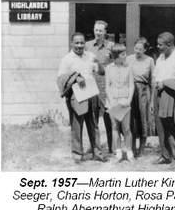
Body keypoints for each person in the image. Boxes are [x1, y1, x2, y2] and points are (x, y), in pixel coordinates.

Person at [57, 32, 107, 163]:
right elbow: (61, 78)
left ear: (85, 43)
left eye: (82, 43)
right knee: (77, 125)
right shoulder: (67, 59)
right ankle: (77, 154)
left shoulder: (90, 56)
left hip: (91, 92)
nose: (79, 45)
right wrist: (75, 77)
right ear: (72, 43)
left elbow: (101, 72)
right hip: (76, 95)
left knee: (94, 124)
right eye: (77, 43)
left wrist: (99, 64)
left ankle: (97, 152)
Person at [151, 32, 175, 167]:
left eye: (160, 45)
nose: (158, 47)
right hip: (160, 95)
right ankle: (165, 155)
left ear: (169, 45)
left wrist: (166, 82)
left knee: (174, 127)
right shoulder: (161, 58)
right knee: (161, 127)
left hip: (173, 97)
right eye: (158, 44)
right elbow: (156, 77)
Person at [85, 20, 114, 153]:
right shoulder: (87, 46)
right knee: (92, 117)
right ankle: (95, 146)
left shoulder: (111, 46)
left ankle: (112, 146)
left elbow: (116, 66)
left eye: (101, 31)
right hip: (91, 85)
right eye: (96, 30)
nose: (98, 33)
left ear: (105, 32)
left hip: (106, 86)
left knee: (109, 116)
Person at [105, 44, 135, 162]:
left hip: (125, 101)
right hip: (113, 101)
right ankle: (118, 151)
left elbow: (131, 85)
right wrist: (112, 101)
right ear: (116, 56)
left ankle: (129, 151)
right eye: (123, 54)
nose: (125, 56)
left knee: (126, 128)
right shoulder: (108, 68)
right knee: (115, 127)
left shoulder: (128, 68)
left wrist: (128, 100)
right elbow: (107, 86)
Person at [127, 37, 155, 157]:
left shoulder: (150, 61)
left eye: (140, 49)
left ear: (145, 50)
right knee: (132, 119)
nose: (137, 51)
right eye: (136, 48)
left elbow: (153, 80)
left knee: (143, 118)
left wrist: (152, 100)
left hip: (143, 91)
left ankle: (142, 148)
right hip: (130, 91)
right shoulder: (128, 59)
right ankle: (132, 147)